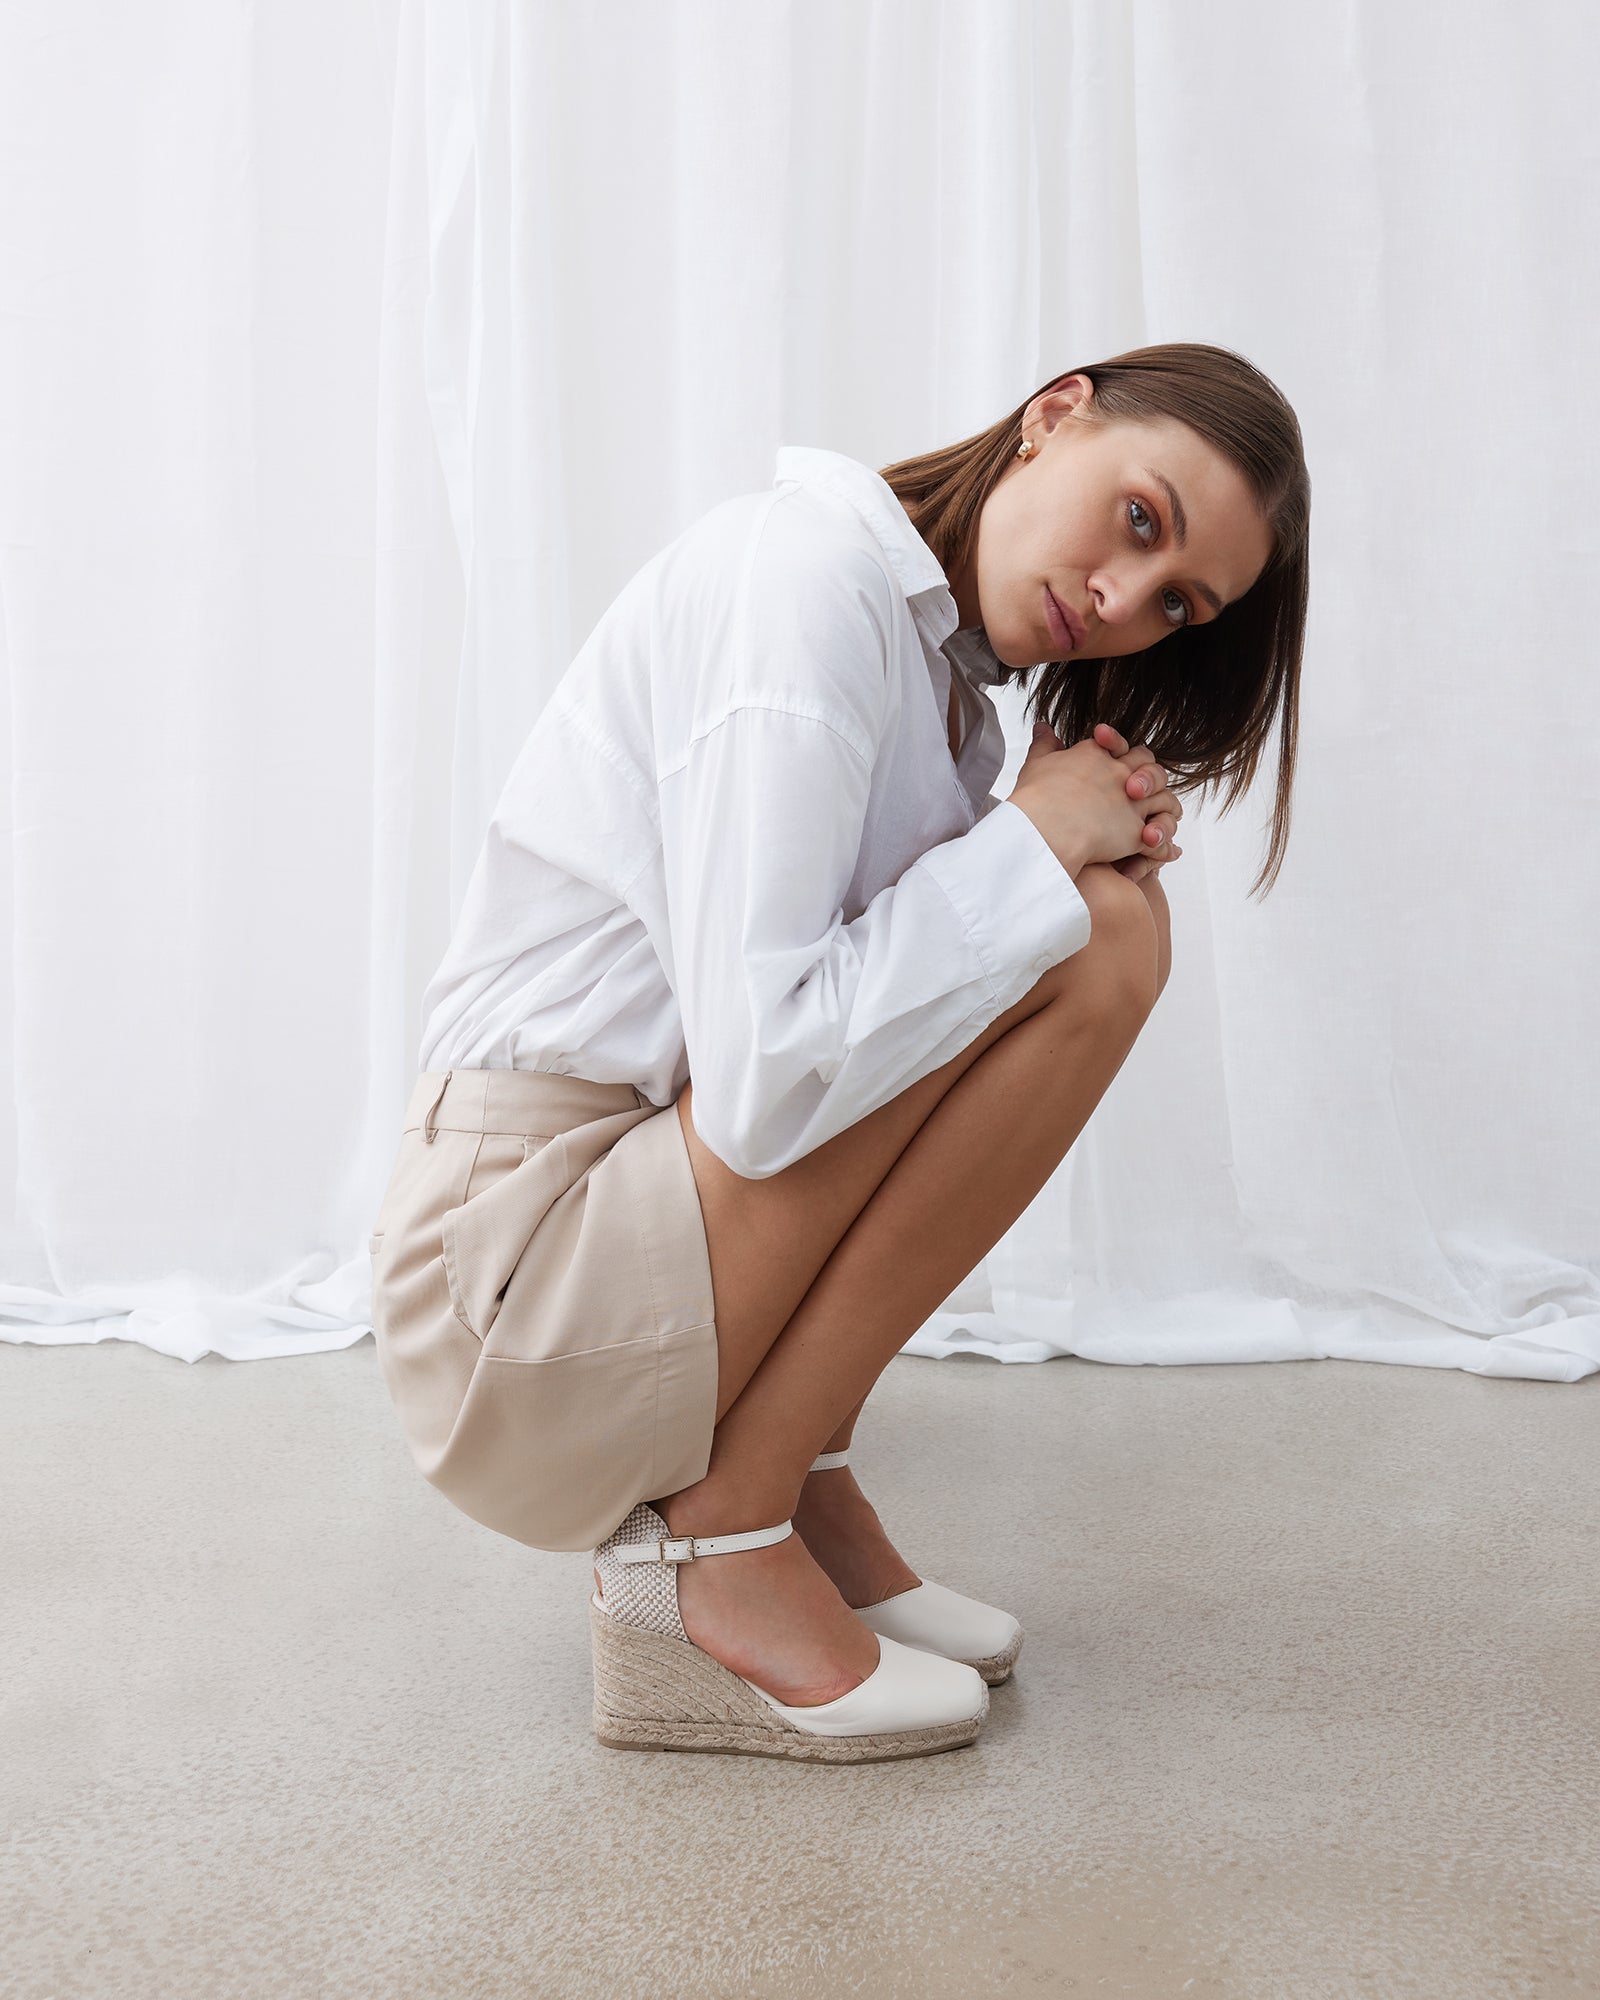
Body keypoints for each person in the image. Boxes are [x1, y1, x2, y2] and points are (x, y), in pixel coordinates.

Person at [367, 341, 1310, 1763]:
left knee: (1103, 926)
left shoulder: (935, 687)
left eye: (1176, 602)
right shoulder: (801, 591)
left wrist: (1030, 851)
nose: (1122, 605)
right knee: (1092, 932)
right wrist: (1031, 847)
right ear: (1058, 416)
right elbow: (762, 1093)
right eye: (1139, 518)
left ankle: (796, 1485)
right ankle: (715, 1547)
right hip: (511, 1286)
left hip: (609, 1234)